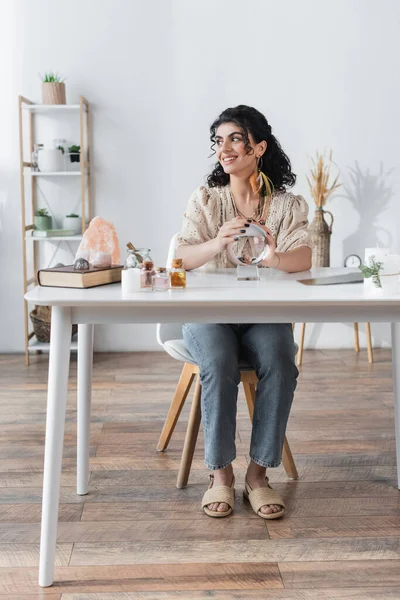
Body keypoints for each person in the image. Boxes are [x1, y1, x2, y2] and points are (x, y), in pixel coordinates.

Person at [176, 105, 312, 520]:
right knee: (218, 361)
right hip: (209, 314)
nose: (225, 148)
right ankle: (220, 476)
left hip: (264, 315)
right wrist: (218, 242)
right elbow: (181, 257)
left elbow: (305, 257)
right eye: (219, 141)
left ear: (259, 146)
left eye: (235, 138)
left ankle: (257, 475)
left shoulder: (288, 206)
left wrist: (271, 254)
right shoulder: (205, 199)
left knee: (279, 361)